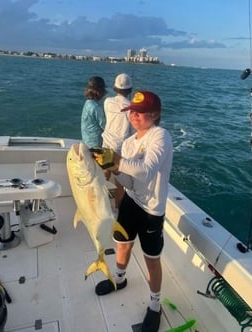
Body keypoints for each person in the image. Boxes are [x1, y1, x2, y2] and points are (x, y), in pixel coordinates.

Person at [92, 91, 173, 332]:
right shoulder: (128, 143)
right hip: (131, 201)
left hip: (152, 210)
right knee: (123, 243)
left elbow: (147, 171)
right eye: (132, 113)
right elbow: (130, 182)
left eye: (140, 113)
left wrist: (115, 159)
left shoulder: (161, 136)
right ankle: (119, 279)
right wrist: (114, 169)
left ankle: (155, 305)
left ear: (154, 115)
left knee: (151, 258)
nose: (134, 117)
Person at [102, 73, 133, 206]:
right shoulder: (132, 108)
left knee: (105, 173)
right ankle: (117, 208)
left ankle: (101, 202)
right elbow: (133, 133)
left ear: (115, 88)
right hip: (120, 148)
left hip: (106, 143)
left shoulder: (107, 102)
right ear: (130, 90)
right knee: (120, 182)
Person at [81, 76, 107, 147]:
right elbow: (104, 125)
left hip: (86, 141)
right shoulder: (96, 107)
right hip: (95, 144)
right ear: (100, 91)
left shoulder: (88, 103)